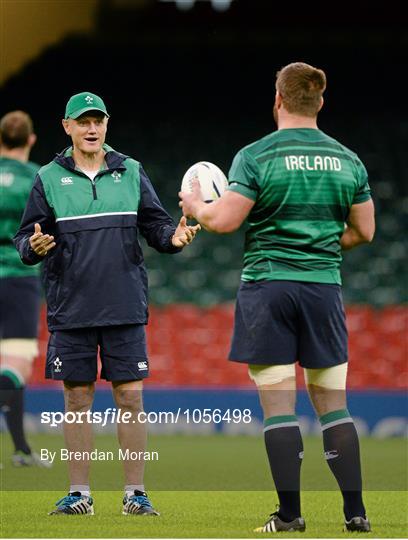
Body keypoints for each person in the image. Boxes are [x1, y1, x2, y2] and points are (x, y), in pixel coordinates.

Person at [180, 62, 375, 533]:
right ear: (320, 102)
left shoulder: (257, 155)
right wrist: (325, 243)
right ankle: (356, 513)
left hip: (269, 287)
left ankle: (290, 514)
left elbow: (225, 221)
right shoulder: (348, 160)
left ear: (278, 99)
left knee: (279, 404)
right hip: (323, 289)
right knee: (334, 404)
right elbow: (365, 231)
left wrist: (196, 209)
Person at [14, 92, 200, 516]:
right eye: (83, 122)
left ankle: (136, 494)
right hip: (71, 308)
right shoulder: (47, 177)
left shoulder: (131, 171)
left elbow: (155, 224)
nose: (91, 128)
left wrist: (173, 238)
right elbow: (26, 237)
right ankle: (80, 493)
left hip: (123, 306)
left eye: (97, 120)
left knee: (130, 398)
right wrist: (34, 246)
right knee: (77, 400)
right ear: (67, 127)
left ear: (107, 124)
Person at [0, 111, 51, 467]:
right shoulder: (36, 179)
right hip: (19, 276)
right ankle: (20, 450)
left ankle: (20, 449)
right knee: (15, 363)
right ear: (31, 140)